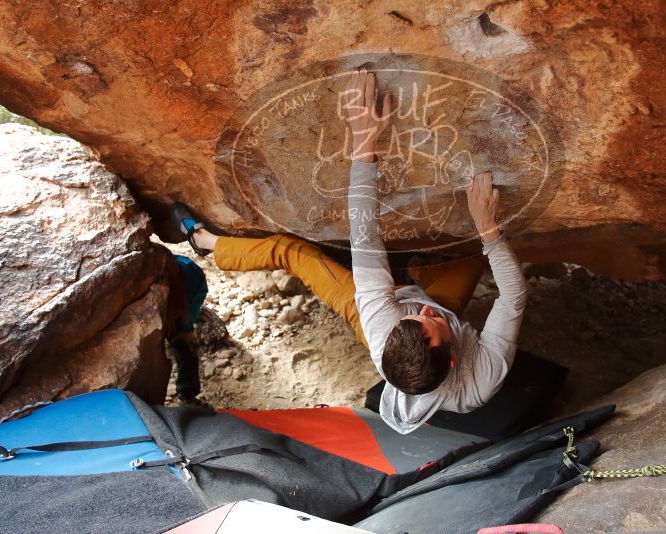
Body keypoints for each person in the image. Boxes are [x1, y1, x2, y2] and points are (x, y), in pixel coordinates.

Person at [173, 69, 526, 433]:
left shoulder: (379, 324)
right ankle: (417, 273)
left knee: (293, 251)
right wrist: (487, 226)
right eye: (428, 321)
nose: (423, 312)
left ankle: (206, 242)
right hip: (405, 300)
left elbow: (366, 238)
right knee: (478, 249)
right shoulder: (480, 378)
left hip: (381, 303)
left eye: (418, 318)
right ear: (453, 358)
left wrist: (363, 144)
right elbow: (513, 297)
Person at [164, 254, 208, 401]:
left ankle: (188, 396)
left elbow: (186, 322)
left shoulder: (192, 286)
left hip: (189, 292)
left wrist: (185, 331)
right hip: (176, 296)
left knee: (184, 346)